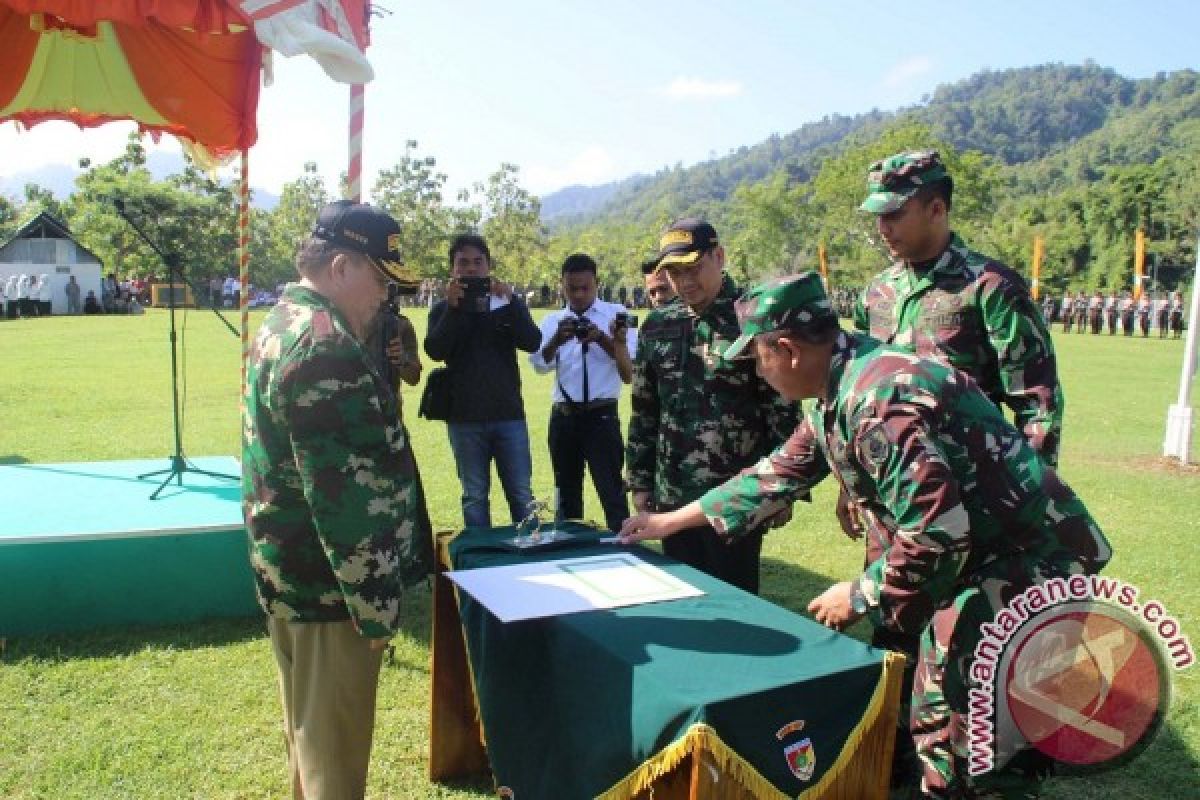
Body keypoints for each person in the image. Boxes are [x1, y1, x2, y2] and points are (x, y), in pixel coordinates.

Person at [619, 273, 1112, 800]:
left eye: (756, 358)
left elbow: (936, 532)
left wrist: (855, 594)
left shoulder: (878, 398)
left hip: (1024, 567)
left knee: (970, 725)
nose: (757, 372)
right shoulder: (845, 379)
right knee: (941, 715)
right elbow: (776, 473)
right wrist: (671, 520)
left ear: (785, 350)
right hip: (983, 561)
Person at [853, 149, 1064, 785]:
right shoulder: (881, 292)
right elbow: (865, 392)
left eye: (895, 213)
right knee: (893, 624)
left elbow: (1038, 405)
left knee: (969, 637)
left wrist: (1018, 507)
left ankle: (987, 761)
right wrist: (855, 483)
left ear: (938, 208)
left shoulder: (988, 287)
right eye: (876, 216)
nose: (882, 228)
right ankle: (891, 754)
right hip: (895, 504)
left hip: (972, 508)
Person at [243, 201, 429, 800]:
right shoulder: (326, 346)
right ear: (343, 266)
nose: (385, 298)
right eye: (380, 280)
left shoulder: (280, 321)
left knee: (311, 744)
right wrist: (374, 608)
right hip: (331, 593)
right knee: (333, 763)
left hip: (291, 574)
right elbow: (345, 501)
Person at [626, 218, 798, 594]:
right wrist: (639, 479)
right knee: (683, 597)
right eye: (673, 273)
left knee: (735, 600)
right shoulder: (657, 325)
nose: (684, 282)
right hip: (672, 494)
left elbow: (781, 409)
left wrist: (781, 492)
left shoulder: (753, 320)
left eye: (693, 269)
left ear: (718, 257)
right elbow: (644, 408)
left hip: (736, 495)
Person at [424, 233, 542, 530]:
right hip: (464, 418)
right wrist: (452, 309)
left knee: (521, 494)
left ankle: (530, 553)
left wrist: (512, 301)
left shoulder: (506, 305)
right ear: (453, 268)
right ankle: (480, 564)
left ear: (488, 266)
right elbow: (435, 350)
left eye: (478, 262)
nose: (471, 269)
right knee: (474, 497)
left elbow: (532, 341)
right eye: (463, 262)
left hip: (508, 415)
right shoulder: (443, 309)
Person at [531, 253, 636, 533]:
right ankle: (569, 549)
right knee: (566, 495)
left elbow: (629, 372)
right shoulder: (552, 321)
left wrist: (602, 338)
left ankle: (624, 549)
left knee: (612, 491)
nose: (578, 295)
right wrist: (557, 339)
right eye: (571, 288)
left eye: (585, 288)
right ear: (561, 285)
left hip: (601, 415)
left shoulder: (616, 316)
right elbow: (540, 365)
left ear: (597, 284)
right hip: (564, 416)